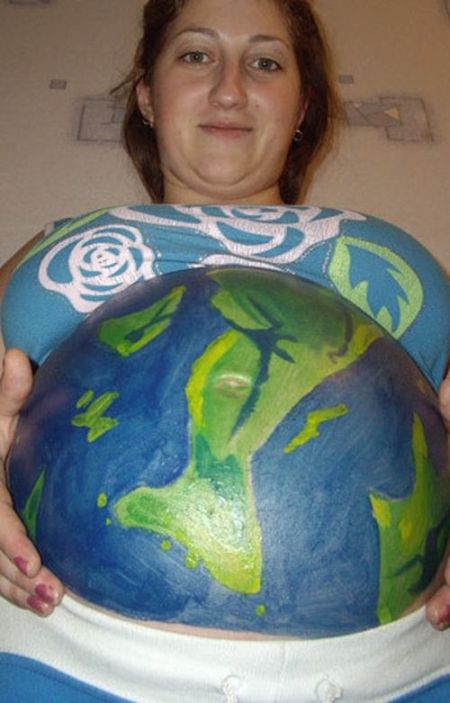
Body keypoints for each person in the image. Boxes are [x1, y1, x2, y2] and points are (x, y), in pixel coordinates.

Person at [0, 0, 449, 699]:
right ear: (147, 95)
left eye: (265, 62)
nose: (230, 88)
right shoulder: (62, 247)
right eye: (196, 55)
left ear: (302, 107)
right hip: (65, 652)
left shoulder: (389, 258)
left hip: (400, 667)